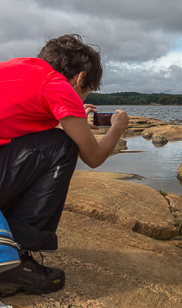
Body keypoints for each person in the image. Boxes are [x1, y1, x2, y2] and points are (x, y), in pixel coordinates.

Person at [0, 34, 129, 296]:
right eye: (86, 89)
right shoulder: (56, 85)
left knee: (55, 140)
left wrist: (73, 116)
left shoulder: (16, 67)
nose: (82, 95)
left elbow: (19, 124)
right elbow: (92, 158)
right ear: (81, 78)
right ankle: (16, 257)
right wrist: (116, 130)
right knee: (64, 145)